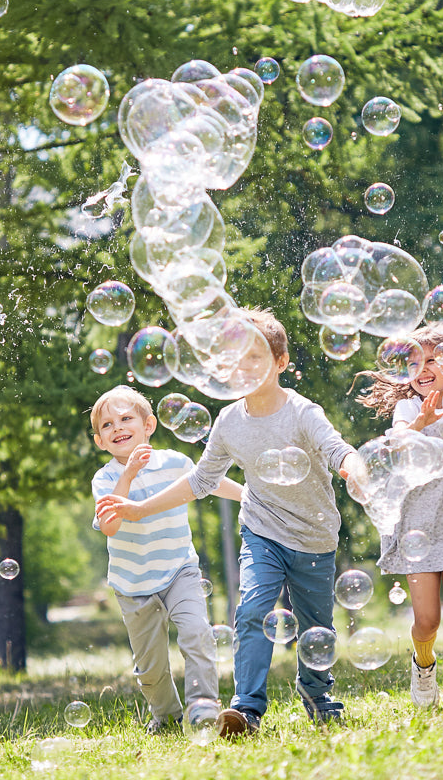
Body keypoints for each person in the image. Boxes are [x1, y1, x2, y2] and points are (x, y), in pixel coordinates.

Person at [96, 310, 364, 737]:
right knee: (253, 610)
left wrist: (355, 467)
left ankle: (317, 696)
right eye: (236, 359)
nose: (245, 368)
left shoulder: (301, 411)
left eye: (256, 357)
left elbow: (336, 448)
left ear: (280, 362)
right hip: (261, 530)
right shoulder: (229, 421)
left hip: (314, 535)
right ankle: (246, 710)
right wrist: (140, 509)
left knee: (316, 627)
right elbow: (202, 480)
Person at [354, 311, 443, 710]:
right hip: (419, 519)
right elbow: (397, 442)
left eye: (435, 359)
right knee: (428, 620)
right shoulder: (407, 408)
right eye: (416, 363)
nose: (425, 369)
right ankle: (424, 663)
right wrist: (420, 422)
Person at [91, 385, 243, 733]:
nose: (117, 428)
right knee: (151, 666)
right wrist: (127, 475)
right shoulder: (105, 479)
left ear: (149, 425)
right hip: (133, 584)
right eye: (108, 425)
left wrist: (247, 496)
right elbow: (111, 526)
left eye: (126, 418)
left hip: (179, 571)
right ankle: (167, 716)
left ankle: (202, 708)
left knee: (197, 633)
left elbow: (208, 482)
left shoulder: (174, 462)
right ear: (100, 441)